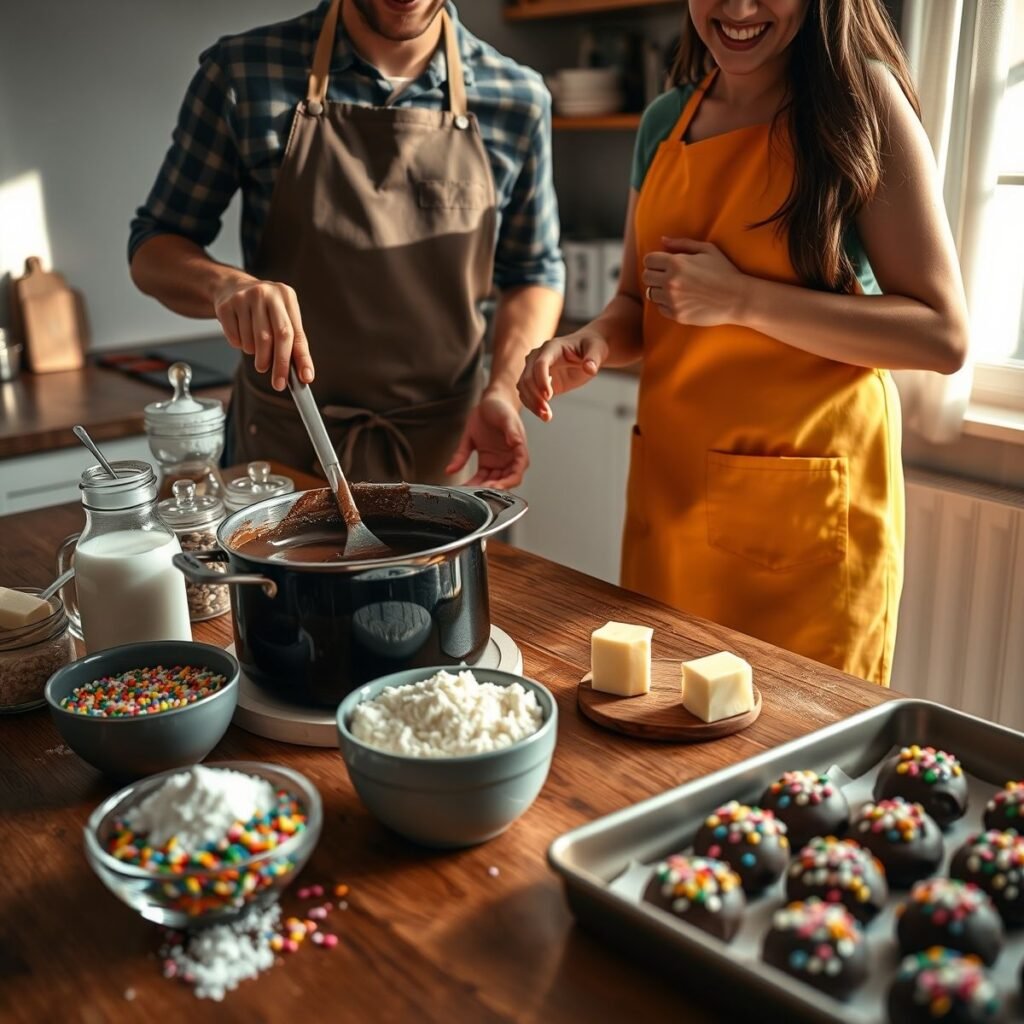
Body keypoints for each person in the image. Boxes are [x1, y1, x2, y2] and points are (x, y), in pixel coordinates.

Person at [517, 0, 969, 686]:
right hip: (671, 507)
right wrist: (590, 344)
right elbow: (640, 302)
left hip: (808, 530)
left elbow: (942, 333)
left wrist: (743, 300)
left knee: (792, 766)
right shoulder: (664, 121)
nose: (737, 8)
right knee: (660, 736)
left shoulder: (861, 102)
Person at [129, 0, 563, 488]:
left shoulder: (518, 97)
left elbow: (533, 273)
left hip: (445, 460)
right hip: (282, 456)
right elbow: (154, 245)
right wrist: (224, 286)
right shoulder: (244, 72)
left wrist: (503, 389)